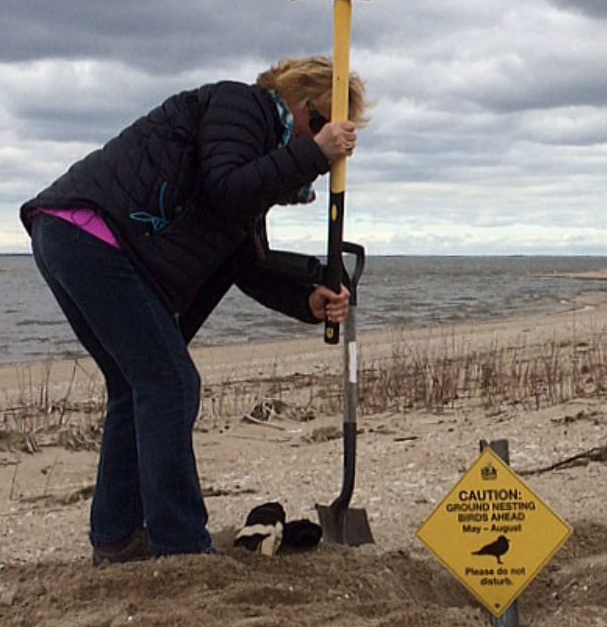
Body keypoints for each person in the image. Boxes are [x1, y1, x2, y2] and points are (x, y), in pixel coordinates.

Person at [20, 56, 365, 562]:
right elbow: (228, 189)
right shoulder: (240, 106)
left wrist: (306, 300)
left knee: (136, 385)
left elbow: (242, 262)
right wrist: (313, 153)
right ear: (297, 99)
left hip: (72, 235)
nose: (322, 142)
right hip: (93, 236)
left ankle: (117, 540)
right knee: (171, 384)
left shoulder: (256, 156)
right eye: (319, 124)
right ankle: (180, 544)